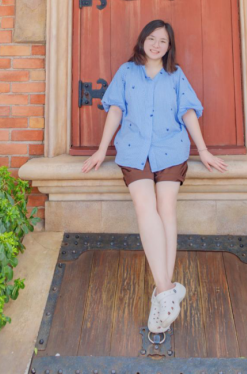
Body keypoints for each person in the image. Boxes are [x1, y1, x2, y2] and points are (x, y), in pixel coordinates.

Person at [81, 19, 228, 334]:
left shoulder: (175, 75)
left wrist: (203, 150)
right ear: (142, 41)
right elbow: (115, 110)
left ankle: (164, 296)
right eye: (151, 38)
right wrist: (101, 150)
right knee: (144, 207)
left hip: (170, 149)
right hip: (134, 149)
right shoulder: (126, 72)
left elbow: (188, 112)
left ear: (169, 46)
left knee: (166, 209)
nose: (156, 45)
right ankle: (166, 290)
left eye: (163, 40)